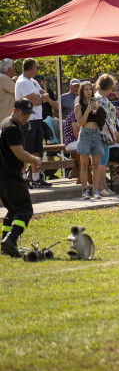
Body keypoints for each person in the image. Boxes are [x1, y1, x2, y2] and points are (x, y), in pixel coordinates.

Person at [1, 101, 44, 257]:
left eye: (28, 114)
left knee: (13, 210)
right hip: (10, 175)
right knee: (25, 210)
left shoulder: (4, 123)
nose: (26, 117)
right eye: (23, 113)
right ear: (14, 110)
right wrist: (35, 160)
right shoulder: (12, 128)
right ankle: (10, 240)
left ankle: (5, 244)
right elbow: (19, 153)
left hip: (3, 176)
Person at [14, 59, 54, 188]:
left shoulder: (33, 81)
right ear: (31, 68)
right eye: (36, 67)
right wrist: (43, 98)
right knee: (25, 151)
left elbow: (43, 93)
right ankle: (23, 179)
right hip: (27, 121)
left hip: (36, 120)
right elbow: (36, 101)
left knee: (36, 151)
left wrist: (42, 97)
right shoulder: (23, 82)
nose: (37, 69)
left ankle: (36, 179)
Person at [73, 81, 107, 200]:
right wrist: (87, 110)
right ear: (82, 91)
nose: (89, 91)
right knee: (84, 165)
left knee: (96, 165)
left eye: (90, 89)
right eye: (86, 89)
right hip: (85, 134)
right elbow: (80, 123)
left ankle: (96, 190)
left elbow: (102, 120)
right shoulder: (78, 106)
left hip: (96, 134)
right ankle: (84, 190)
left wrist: (99, 110)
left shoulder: (95, 103)